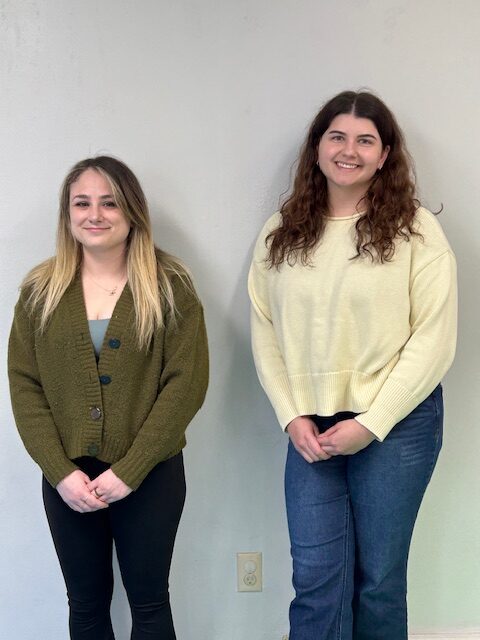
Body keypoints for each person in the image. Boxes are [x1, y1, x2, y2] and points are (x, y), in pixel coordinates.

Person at [248, 91, 457, 640]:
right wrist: (291, 415)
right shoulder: (281, 232)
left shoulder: (415, 231)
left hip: (397, 424)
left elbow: (434, 339)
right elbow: (265, 329)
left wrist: (371, 422)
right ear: (317, 148)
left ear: (385, 155)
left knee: (378, 581)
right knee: (316, 580)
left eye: (366, 141)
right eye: (337, 137)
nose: (349, 151)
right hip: (308, 428)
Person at [8, 156, 209, 639]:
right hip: (68, 479)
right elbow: (25, 385)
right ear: (68, 214)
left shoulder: (169, 286)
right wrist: (59, 473)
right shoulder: (40, 291)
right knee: (85, 605)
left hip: (151, 473)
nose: (95, 214)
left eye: (109, 203)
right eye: (82, 203)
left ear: (132, 211)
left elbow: (186, 384)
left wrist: (130, 470)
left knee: (150, 603)